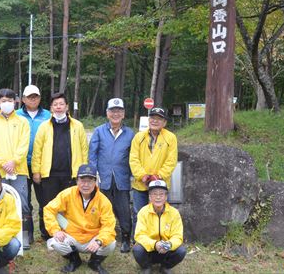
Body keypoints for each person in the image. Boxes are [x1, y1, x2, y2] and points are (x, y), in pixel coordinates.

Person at [31, 92, 88, 237]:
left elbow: (84, 150)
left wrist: (83, 172)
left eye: (61, 104)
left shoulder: (78, 126)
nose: (58, 107)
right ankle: (47, 232)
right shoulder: (44, 127)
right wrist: (36, 171)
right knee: (48, 204)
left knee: (70, 206)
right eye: (55, 104)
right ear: (51, 108)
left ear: (67, 106)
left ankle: (68, 231)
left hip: (71, 174)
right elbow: (37, 150)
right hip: (49, 174)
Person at [44, 164, 116, 274]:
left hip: (93, 238)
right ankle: (74, 260)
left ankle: (94, 262)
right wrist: (55, 230)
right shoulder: (67, 194)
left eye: (90, 181)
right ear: (77, 181)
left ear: (95, 182)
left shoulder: (103, 201)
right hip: (71, 235)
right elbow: (49, 209)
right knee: (55, 242)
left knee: (111, 243)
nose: (86, 185)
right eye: (82, 180)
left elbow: (109, 225)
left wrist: (99, 240)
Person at [0, 88, 31, 249]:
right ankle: (0, 236)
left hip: (19, 170)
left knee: (22, 203)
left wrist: (14, 162)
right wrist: (3, 162)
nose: (7, 104)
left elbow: (24, 145)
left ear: (15, 102)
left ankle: (23, 235)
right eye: (3, 101)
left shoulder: (22, 122)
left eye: (10, 100)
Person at [89, 98, 134, 253]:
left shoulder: (130, 133)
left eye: (119, 111)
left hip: (122, 178)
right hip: (103, 178)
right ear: (107, 113)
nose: (116, 114)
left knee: (124, 210)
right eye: (112, 111)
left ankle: (126, 239)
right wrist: (94, 176)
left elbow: (133, 157)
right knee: (101, 210)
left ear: (123, 114)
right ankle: (102, 237)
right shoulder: (99, 131)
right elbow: (92, 155)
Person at [129, 107, 178, 226]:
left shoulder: (170, 137)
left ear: (164, 122)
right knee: (139, 213)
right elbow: (133, 159)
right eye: (152, 118)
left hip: (160, 184)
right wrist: (142, 175)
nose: (155, 121)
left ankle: (160, 240)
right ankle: (138, 242)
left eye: (159, 119)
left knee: (161, 213)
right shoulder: (138, 137)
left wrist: (159, 176)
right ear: (148, 120)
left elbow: (171, 160)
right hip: (140, 184)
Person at [16, 84, 52, 242]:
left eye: (35, 96)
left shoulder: (48, 115)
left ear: (40, 98)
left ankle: (46, 232)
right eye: (29, 96)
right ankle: (27, 233)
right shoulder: (16, 115)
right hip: (21, 164)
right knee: (24, 201)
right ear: (23, 99)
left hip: (42, 164)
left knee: (45, 199)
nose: (33, 99)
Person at [132, 180, 186, 274]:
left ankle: (165, 267)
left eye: (161, 194)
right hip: (150, 250)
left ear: (166, 197)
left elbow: (178, 236)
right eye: (154, 194)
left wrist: (169, 244)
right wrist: (154, 244)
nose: (158, 197)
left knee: (181, 251)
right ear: (149, 196)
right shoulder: (143, 212)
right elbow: (139, 235)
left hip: (166, 250)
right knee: (137, 250)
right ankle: (146, 267)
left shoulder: (174, 213)